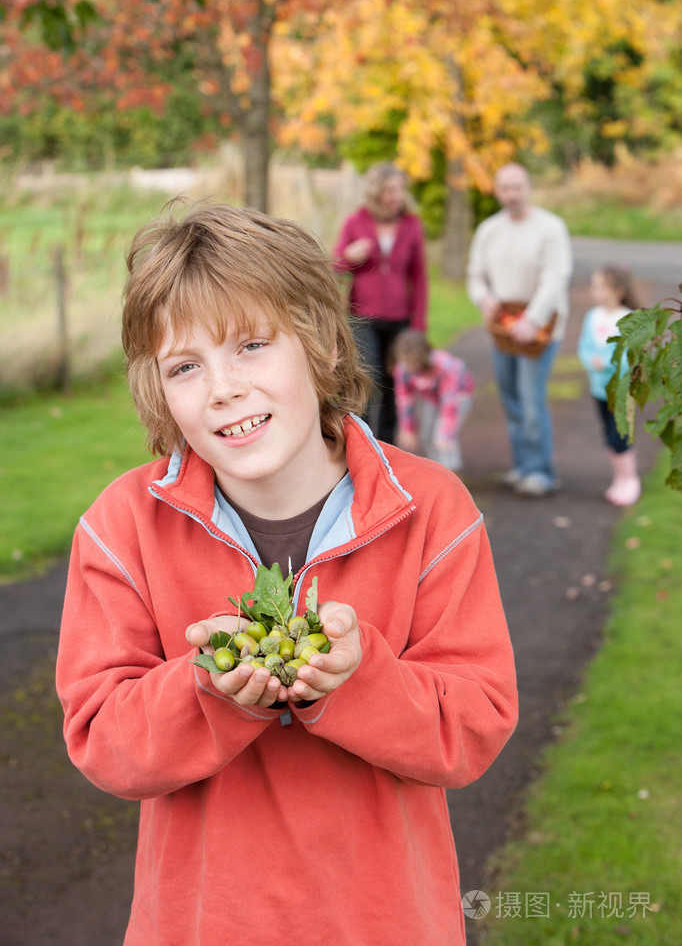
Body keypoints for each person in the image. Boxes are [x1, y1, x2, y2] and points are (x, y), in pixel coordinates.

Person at [55, 200, 517, 946]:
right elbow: (103, 738)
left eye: (250, 345)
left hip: (387, 924)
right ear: (158, 389)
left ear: (318, 342)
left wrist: (361, 677)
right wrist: (206, 688)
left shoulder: (430, 509)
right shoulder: (120, 529)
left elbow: (474, 723)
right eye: (186, 366)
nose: (223, 388)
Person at [467, 162, 573, 497]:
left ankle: (541, 471)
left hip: (539, 330)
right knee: (511, 398)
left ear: (528, 188)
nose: (511, 194)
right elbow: (476, 275)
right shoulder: (489, 230)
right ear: (497, 190)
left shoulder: (550, 228)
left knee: (530, 400)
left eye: (517, 187)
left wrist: (533, 320)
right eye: (505, 188)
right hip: (502, 329)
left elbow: (555, 278)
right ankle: (523, 466)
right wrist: (483, 298)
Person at [333, 161, 428, 444]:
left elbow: (420, 277)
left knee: (395, 383)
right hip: (363, 316)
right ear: (376, 192)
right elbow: (334, 267)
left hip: (400, 318)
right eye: (390, 190)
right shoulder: (356, 221)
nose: (396, 196)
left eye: (399, 189)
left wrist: (419, 322)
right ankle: (358, 443)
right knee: (366, 379)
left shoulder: (412, 224)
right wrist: (349, 256)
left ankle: (387, 446)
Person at [577, 264, 641, 506]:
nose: (594, 290)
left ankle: (630, 479)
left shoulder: (627, 318)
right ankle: (620, 478)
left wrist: (605, 363)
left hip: (621, 391)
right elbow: (584, 346)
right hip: (599, 389)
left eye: (600, 286)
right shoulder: (592, 316)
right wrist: (590, 361)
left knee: (620, 435)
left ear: (618, 290)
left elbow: (629, 354)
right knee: (608, 434)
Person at [392, 328, 474, 472]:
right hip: (433, 397)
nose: (410, 367)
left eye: (414, 362)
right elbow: (404, 401)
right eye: (406, 362)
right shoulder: (402, 369)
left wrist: (445, 433)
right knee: (427, 435)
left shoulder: (445, 367)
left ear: (424, 357)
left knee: (443, 438)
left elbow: (450, 404)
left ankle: (452, 472)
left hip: (458, 395)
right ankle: (437, 470)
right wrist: (408, 428)